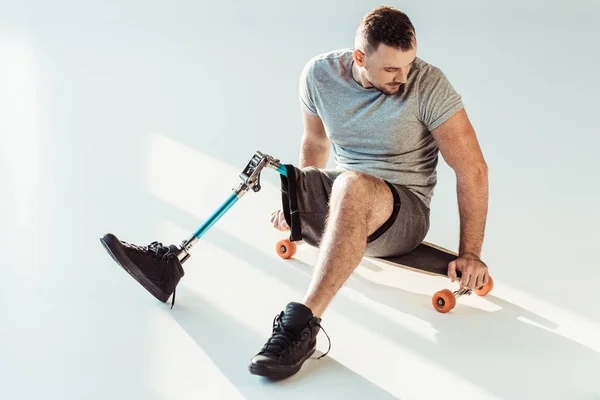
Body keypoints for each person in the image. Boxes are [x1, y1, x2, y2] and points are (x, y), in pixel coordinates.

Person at [100, 5, 490, 380]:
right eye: (391, 69)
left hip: (403, 213)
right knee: (273, 168)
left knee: (352, 183)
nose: (402, 78)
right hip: (344, 193)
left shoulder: (428, 84)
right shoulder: (319, 74)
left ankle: (304, 323)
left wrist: (470, 253)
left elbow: (471, 169)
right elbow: (315, 143)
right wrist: (297, 200)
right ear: (359, 57)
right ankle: (171, 260)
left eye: (408, 66)